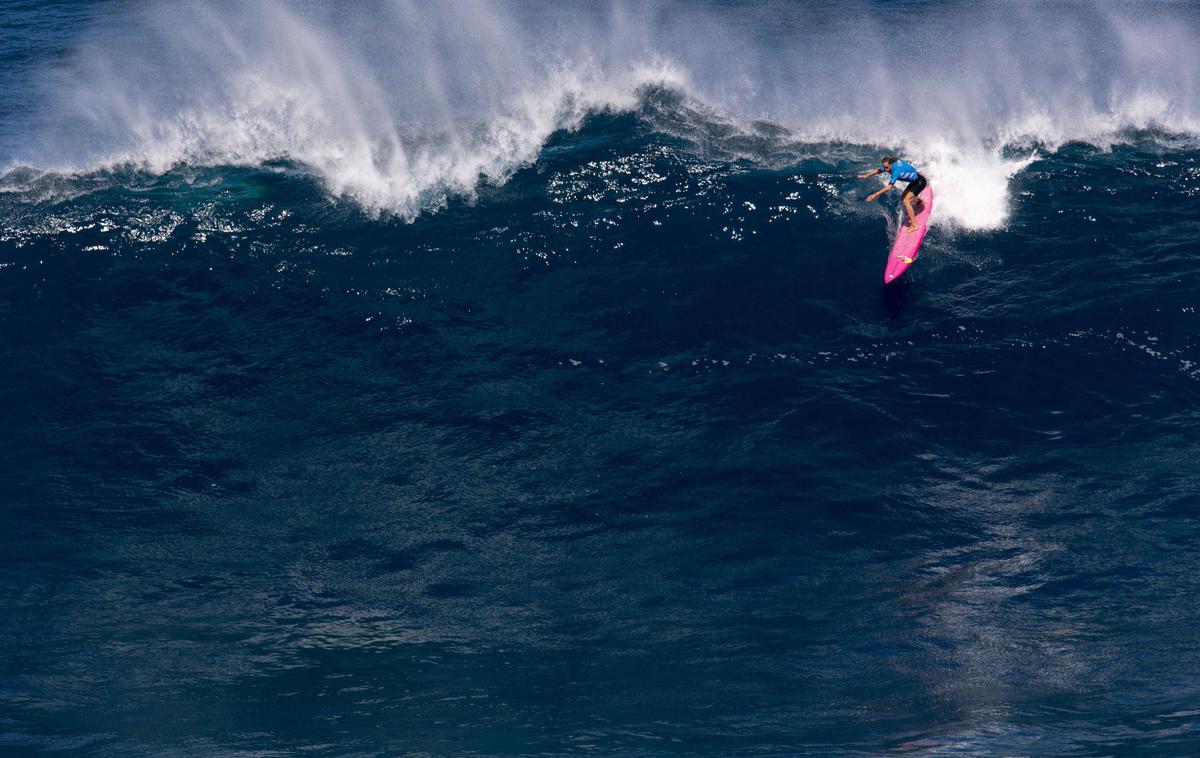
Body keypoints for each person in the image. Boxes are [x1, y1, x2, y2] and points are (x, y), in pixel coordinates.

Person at [857, 156, 928, 235]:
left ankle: (914, 225)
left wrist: (875, 194)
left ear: (891, 164)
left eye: (887, 168)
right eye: (884, 167)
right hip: (915, 181)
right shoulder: (890, 165)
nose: (886, 170)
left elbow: (889, 187)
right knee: (903, 198)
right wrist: (866, 175)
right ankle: (919, 202)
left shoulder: (895, 171)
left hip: (919, 182)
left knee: (906, 201)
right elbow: (879, 170)